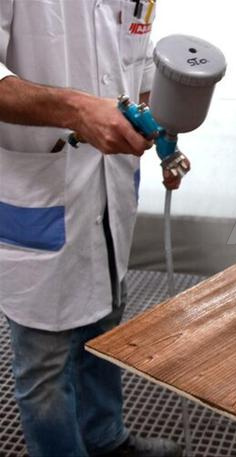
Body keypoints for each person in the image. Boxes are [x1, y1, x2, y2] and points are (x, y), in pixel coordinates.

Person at [0, 1, 183, 456]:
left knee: (104, 323)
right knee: (45, 365)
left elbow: (138, 63)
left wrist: (166, 131)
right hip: (38, 189)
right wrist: (76, 110)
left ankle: (105, 438)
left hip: (110, 188)